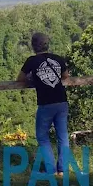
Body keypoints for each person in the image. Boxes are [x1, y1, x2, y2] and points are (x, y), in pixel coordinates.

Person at [17, 32, 70, 176]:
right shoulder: (58, 59)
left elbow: (19, 79)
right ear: (48, 44)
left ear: (33, 46)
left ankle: (51, 170)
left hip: (45, 102)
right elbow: (66, 76)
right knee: (63, 136)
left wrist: (33, 78)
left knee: (42, 136)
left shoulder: (31, 61)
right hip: (61, 100)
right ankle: (62, 170)